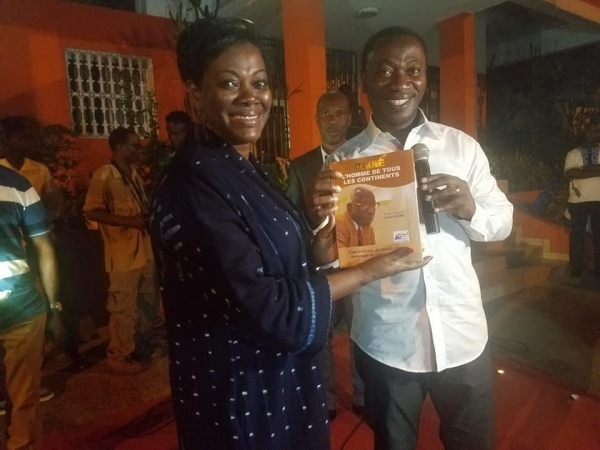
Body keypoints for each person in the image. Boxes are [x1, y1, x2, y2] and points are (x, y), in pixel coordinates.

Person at [149, 17, 430, 450]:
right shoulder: (195, 183)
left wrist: (323, 238)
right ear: (196, 93)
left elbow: (287, 261)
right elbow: (273, 308)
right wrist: (370, 270)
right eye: (229, 83)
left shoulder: (244, 168)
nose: (250, 97)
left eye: (259, 83)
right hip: (241, 394)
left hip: (277, 379)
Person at [306, 26, 513, 450]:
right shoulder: (344, 163)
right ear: (364, 82)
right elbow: (334, 260)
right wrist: (321, 235)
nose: (401, 82)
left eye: (413, 70)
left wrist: (470, 207)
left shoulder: (461, 147)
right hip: (387, 342)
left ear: (424, 78)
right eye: (385, 71)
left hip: (462, 336)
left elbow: (503, 222)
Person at [286, 91, 364, 421]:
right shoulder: (301, 166)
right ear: (317, 119)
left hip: (359, 260)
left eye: (339, 113)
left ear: (349, 117)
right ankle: (327, 399)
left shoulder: (364, 159)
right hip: (320, 267)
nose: (333, 121)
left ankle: (363, 395)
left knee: (361, 331)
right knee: (323, 335)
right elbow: (292, 216)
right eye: (326, 114)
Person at [83, 127, 165, 375]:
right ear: (118, 146)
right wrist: (130, 222)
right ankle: (119, 357)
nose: (139, 151)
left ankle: (142, 344)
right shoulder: (104, 176)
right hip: (122, 255)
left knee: (148, 301)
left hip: (144, 250)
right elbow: (91, 212)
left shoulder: (133, 174)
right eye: (135, 146)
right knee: (123, 308)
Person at [0, 155, 63, 448]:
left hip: (23, 311)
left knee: (23, 397)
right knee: (23, 398)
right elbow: (44, 248)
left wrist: (54, 308)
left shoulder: (19, 184)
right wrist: (54, 308)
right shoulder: (18, 184)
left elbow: (44, 248)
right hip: (23, 307)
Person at [0, 116, 63, 224]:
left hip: (33, 230)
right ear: (7, 140)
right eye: (23, 138)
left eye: (31, 138)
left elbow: (53, 205)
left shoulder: (40, 170)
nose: (29, 143)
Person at [564, 118, 600, 278]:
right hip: (577, 201)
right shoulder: (573, 153)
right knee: (576, 235)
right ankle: (576, 268)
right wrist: (596, 170)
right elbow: (570, 173)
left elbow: (577, 172)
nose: (593, 134)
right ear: (584, 133)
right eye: (590, 131)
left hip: (599, 200)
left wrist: (582, 170)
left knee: (599, 235)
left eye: (596, 132)